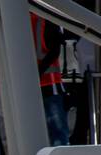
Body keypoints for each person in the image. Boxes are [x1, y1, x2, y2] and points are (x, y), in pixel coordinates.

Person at [32, 12, 70, 146]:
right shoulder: (46, 17)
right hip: (49, 85)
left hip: (40, 86)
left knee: (51, 134)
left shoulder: (17, 18)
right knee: (58, 134)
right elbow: (55, 50)